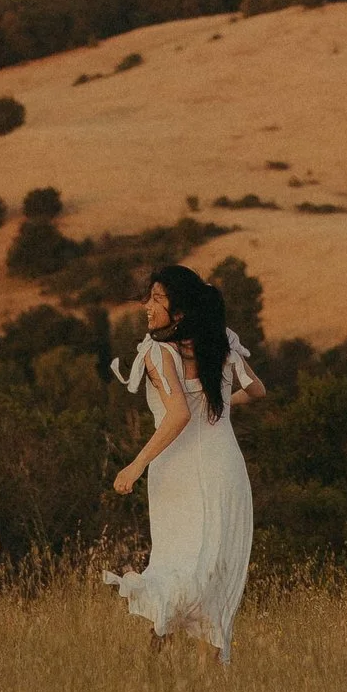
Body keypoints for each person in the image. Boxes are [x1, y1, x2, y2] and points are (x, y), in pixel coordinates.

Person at [103, 264, 261, 662]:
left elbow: (178, 414)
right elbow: (257, 390)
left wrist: (135, 465)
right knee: (210, 568)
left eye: (157, 299)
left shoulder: (158, 352)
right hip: (225, 468)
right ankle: (207, 672)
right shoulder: (220, 341)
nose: (147, 305)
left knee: (176, 564)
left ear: (179, 311)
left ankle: (154, 665)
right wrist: (219, 406)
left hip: (179, 471)